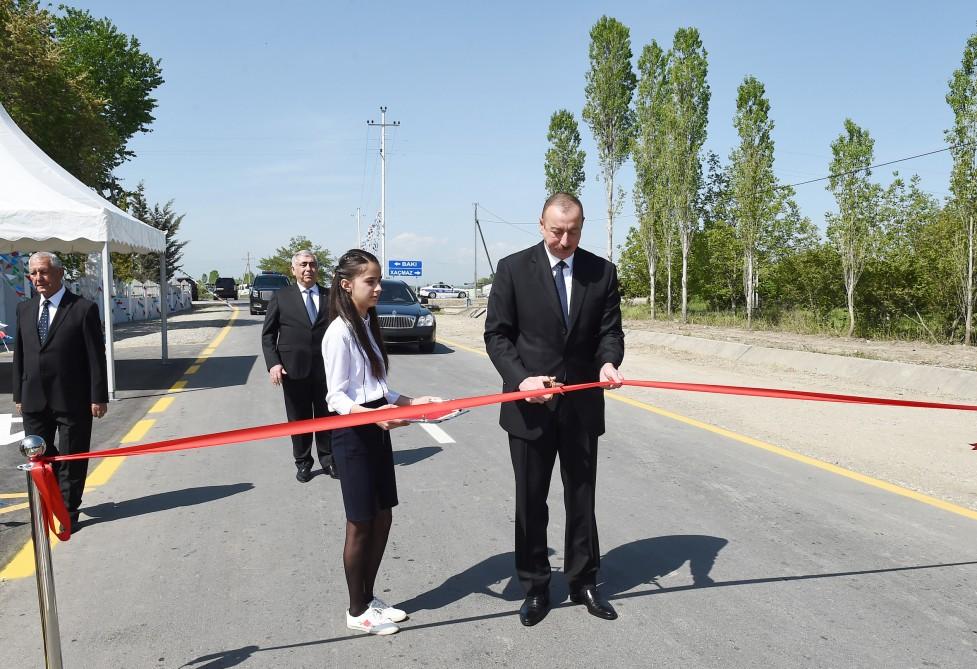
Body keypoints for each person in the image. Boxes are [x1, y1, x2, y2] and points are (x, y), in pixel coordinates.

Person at [484, 192, 625, 626]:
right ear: (541, 225)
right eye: (557, 231)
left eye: (574, 231)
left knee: (581, 497)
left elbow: (610, 333)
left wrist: (607, 362)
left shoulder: (601, 272)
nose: (565, 240)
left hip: (581, 406)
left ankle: (583, 581)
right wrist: (521, 379)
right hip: (529, 407)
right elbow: (497, 336)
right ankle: (536, 587)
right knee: (531, 501)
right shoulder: (512, 269)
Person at [322, 249, 441, 636]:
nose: (376, 288)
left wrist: (413, 403)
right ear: (347, 284)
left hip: (375, 427)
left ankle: (370, 597)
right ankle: (356, 609)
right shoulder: (338, 332)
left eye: (377, 280)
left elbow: (379, 387)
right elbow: (337, 397)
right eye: (369, 281)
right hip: (353, 432)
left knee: (383, 516)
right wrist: (375, 417)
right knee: (360, 523)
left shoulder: (367, 322)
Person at [12, 251, 108, 531]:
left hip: (73, 399)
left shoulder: (82, 308)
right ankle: (55, 496)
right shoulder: (25, 309)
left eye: (43, 272)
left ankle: (68, 511)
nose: (38, 278)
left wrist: (97, 396)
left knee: (72, 456)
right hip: (33, 398)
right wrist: (18, 393)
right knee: (40, 455)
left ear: (59, 273)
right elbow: (21, 354)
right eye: (33, 273)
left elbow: (95, 357)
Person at [261, 250, 335, 482]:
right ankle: (303, 462)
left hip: (327, 369)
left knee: (327, 415)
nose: (308, 269)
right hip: (293, 369)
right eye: (303, 265)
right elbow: (268, 335)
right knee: (299, 418)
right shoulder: (282, 297)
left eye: (312, 264)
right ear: (293, 269)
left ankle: (328, 460)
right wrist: (273, 364)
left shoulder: (330, 296)